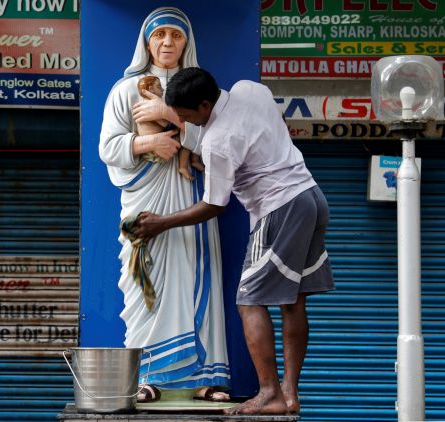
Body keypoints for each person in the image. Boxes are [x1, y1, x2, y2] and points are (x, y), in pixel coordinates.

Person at [134, 67, 335, 415]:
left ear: (205, 104)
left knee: (249, 300)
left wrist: (161, 224)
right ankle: (288, 395)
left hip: (279, 208)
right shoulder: (249, 89)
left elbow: (214, 204)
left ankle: (270, 393)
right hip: (312, 198)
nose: (182, 122)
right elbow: (252, 135)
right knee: (294, 301)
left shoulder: (218, 142)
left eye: (184, 116)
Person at [98, 8, 230, 403]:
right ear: (147, 42)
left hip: (191, 199)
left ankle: (204, 379)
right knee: (147, 281)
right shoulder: (125, 90)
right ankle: (147, 376)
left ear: (187, 42)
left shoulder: (201, 88)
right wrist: (147, 143)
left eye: (176, 36)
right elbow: (108, 147)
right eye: (160, 36)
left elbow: (220, 143)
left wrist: (165, 114)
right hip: (145, 197)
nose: (168, 43)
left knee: (196, 279)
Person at [136, 75, 205, 181]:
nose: (162, 89)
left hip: (153, 145)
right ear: (150, 89)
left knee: (189, 132)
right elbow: (164, 124)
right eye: (159, 87)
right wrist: (167, 113)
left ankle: (193, 161)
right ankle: (185, 165)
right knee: (187, 137)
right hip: (155, 151)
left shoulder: (142, 104)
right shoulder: (150, 106)